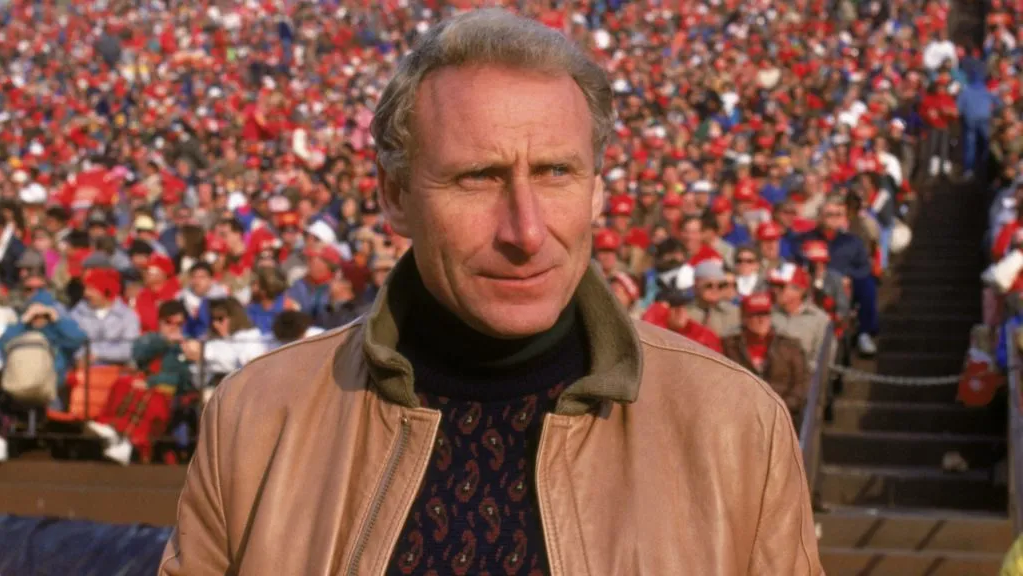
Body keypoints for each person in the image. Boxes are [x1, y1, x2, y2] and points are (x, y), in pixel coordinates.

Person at [161, 11, 820, 575]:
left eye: (557, 172)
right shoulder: (256, 418)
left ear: (597, 189)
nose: (526, 231)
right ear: (394, 196)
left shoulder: (737, 428)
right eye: (479, 177)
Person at [86, 300, 193, 465]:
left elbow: (184, 378)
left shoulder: (189, 347)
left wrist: (152, 382)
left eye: (179, 323)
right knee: (123, 384)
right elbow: (138, 354)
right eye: (168, 322)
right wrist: (164, 341)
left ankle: (124, 440)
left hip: (169, 393)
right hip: (143, 382)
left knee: (148, 397)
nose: (173, 327)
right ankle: (118, 436)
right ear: (160, 322)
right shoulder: (150, 339)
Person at [799, 195, 878, 356]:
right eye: (829, 214)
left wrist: (849, 276)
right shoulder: (804, 239)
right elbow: (795, 262)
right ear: (820, 216)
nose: (834, 219)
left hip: (844, 285)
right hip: (813, 285)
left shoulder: (853, 241)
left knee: (868, 284)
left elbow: (864, 267)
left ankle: (864, 332)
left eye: (838, 215)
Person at [722, 293, 809, 425]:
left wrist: (779, 408)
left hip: (783, 417)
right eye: (755, 315)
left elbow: (801, 385)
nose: (761, 320)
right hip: (741, 417)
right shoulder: (729, 346)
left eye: (765, 314)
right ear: (744, 318)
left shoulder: (790, 346)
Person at [70, 267, 141, 366]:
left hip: (117, 371)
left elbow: (131, 348)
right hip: (84, 370)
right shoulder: (78, 313)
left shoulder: (126, 316)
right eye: (86, 288)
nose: (86, 293)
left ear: (106, 291)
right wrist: (82, 355)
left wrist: (97, 354)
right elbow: (70, 341)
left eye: (91, 289)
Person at [768, 263, 833, 370]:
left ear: (800, 290)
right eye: (773, 285)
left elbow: (823, 363)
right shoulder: (766, 313)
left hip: (802, 381)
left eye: (781, 286)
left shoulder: (820, 320)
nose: (775, 290)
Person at [686, 260, 741, 337]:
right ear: (696, 287)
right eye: (709, 285)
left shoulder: (734, 313)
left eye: (721, 285)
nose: (715, 289)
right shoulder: (685, 313)